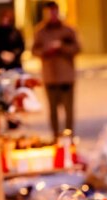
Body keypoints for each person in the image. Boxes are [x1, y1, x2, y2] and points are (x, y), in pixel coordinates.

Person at [32, 1, 81, 139]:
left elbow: (77, 48)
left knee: (68, 110)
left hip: (66, 76)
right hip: (50, 76)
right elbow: (35, 51)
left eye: (54, 12)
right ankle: (55, 137)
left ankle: (69, 137)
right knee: (53, 110)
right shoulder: (40, 31)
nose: (52, 15)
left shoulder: (68, 29)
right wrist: (47, 49)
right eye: (49, 12)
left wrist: (62, 47)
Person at [0, 8, 25, 73]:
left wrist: (13, 54)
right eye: (4, 18)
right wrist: (2, 55)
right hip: (1, 65)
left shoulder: (16, 32)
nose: (5, 20)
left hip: (15, 64)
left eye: (7, 18)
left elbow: (21, 47)